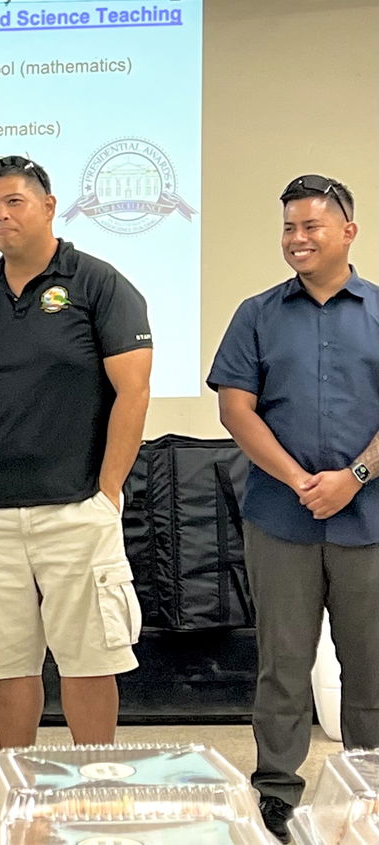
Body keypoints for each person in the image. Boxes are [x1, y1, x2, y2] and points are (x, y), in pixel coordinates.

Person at [0, 156, 152, 749]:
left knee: (89, 658)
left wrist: (107, 491)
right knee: (5, 664)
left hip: (77, 506)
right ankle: (18, 794)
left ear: (49, 206)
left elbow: (132, 393)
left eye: (13, 202)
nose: (0, 216)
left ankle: (97, 785)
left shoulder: (98, 284)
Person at [208, 174, 379, 842]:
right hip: (281, 518)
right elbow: (234, 406)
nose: (297, 239)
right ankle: (277, 792)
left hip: (368, 519)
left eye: (311, 226)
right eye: (288, 228)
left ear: (348, 232)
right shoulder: (257, 313)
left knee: (370, 662)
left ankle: (366, 785)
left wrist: (355, 476)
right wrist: (301, 479)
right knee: (282, 663)